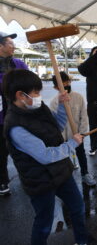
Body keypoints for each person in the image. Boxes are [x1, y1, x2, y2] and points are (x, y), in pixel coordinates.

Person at [2, 69, 87, 245]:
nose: (39, 96)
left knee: (78, 207)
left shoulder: (38, 107)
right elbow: (45, 156)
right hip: (40, 179)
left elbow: (56, 125)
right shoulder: (15, 127)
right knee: (44, 224)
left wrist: (63, 106)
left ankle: (83, 241)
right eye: (36, 92)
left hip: (60, 171)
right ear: (20, 95)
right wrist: (71, 145)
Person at [50, 72, 96, 186]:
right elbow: (54, 122)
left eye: (67, 82)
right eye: (62, 83)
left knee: (81, 153)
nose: (66, 84)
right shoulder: (54, 102)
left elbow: (84, 116)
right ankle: (66, 179)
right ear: (56, 87)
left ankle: (85, 173)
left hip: (77, 134)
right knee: (64, 158)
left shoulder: (78, 97)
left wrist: (82, 132)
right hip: (62, 137)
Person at [0, 31, 28, 196]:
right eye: (10, 43)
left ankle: (27, 177)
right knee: (1, 152)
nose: (14, 46)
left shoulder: (18, 64)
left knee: (24, 148)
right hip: (2, 118)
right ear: (1, 46)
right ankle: (3, 181)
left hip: (21, 115)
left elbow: (29, 83)